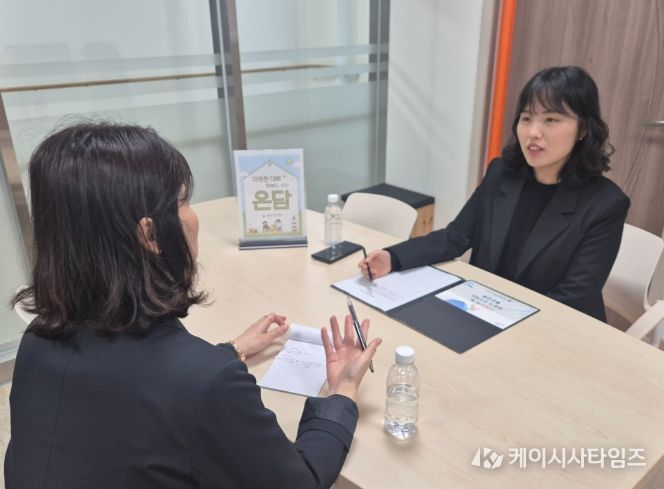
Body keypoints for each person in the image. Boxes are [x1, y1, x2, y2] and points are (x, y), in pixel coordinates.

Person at [6, 123, 381, 489]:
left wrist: (230, 351)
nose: (192, 215)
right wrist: (342, 392)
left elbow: (134, 390)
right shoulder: (205, 384)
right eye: (183, 201)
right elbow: (298, 482)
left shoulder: (39, 340)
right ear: (150, 234)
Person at [360, 66, 629, 321]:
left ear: (583, 129)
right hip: (486, 309)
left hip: (550, 328)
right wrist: (393, 258)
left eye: (551, 120)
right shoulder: (502, 173)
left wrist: (503, 323)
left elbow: (573, 297)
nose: (533, 132)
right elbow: (456, 236)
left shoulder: (606, 204)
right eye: (526, 118)